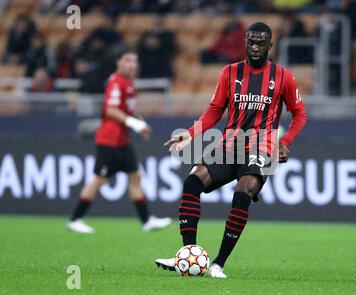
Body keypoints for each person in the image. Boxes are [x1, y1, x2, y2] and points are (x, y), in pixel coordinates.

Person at [155, 22, 307, 278]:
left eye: (261, 42)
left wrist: (285, 142)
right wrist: (190, 133)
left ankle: (218, 264)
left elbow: (299, 114)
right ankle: (187, 256)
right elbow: (215, 110)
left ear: (271, 45)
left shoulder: (283, 77)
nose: (255, 47)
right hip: (229, 145)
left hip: (261, 147)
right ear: (245, 43)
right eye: (251, 42)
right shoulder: (229, 73)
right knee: (192, 183)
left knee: (243, 193)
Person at [68, 49, 172, 233]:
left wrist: (139, 123)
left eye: (134, 61)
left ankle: (146, 221)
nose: (131, 64)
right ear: (119, 62)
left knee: (135, 176)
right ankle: (76, 219)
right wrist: (134, 123)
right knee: (99, 179)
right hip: (109, 140)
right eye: (127, 60)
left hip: (122, 141)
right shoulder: (116, 83)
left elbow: (126, 110)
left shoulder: (128, 83)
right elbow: (111, 110)